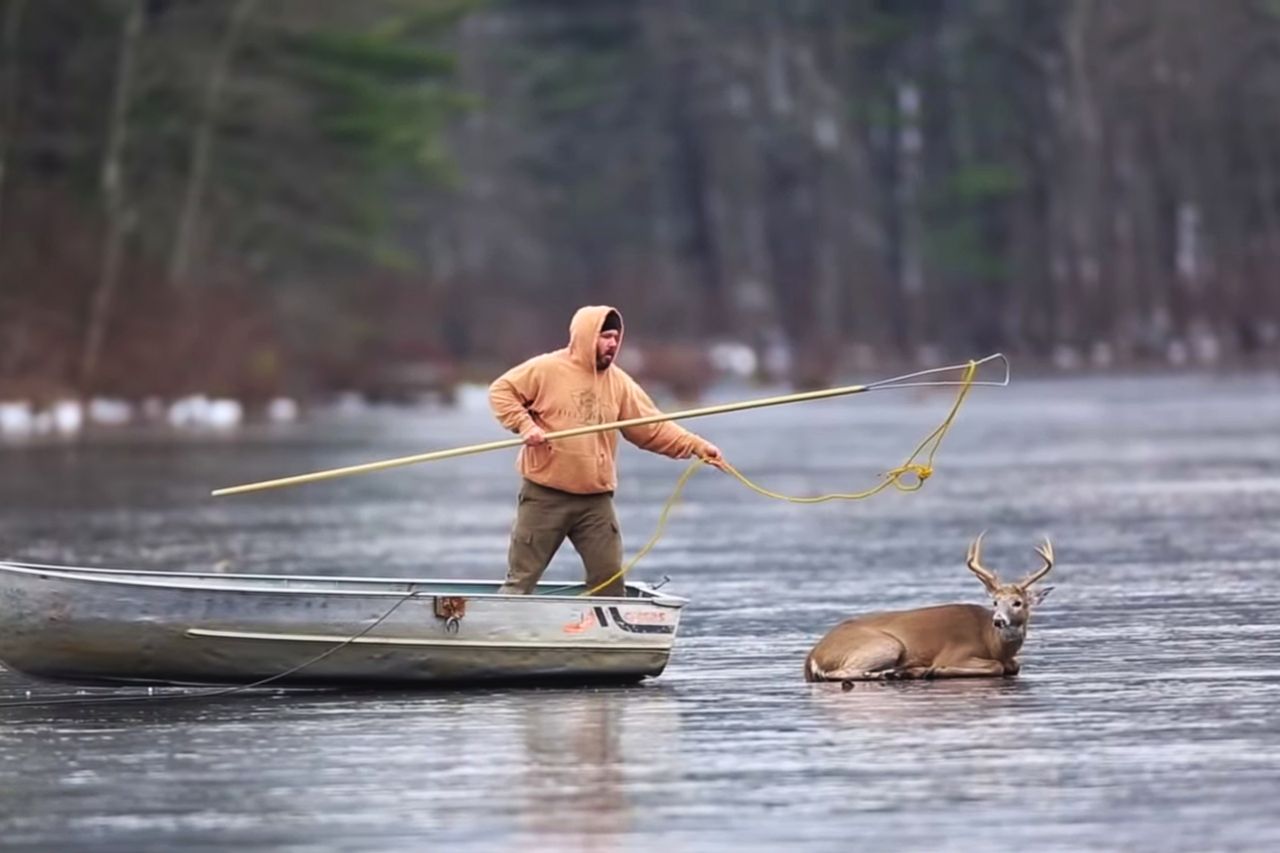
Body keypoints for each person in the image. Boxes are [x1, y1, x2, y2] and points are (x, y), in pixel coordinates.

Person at [489, 305, 725, 596]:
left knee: (610, 582)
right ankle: (501, 631)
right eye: (605, 336)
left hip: (595, 501)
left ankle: (606, 636)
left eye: (615, 337)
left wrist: (697, 446)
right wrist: (526, 427)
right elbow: (501, 391)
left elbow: (652, 427)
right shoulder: (545, 369)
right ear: (586, 337)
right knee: (521, 581)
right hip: (544, 495)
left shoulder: (619, 383)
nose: (613, 344)